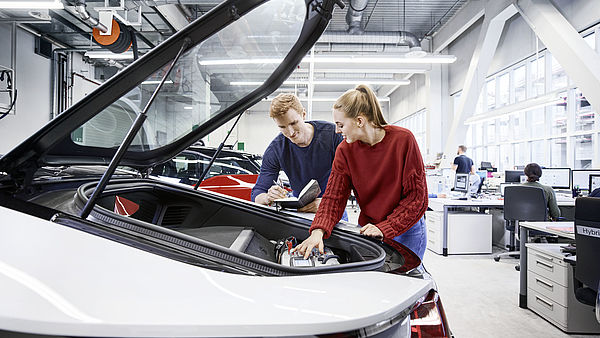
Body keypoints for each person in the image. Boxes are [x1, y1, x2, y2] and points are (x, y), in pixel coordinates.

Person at [294, 84, 428, 260]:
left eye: (340, 124)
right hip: (370, 229)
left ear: (359, 121)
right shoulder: (345, 150)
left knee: (408, 282)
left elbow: (417, 198)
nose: (337, 130)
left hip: (407, 230)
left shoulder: (404, 140)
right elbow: (334, 198)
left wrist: (385, 227)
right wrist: (318, 231)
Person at [251, 93, 345, 216]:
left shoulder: (333, 136)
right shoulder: (276, 149)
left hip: (332, 205)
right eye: (282, 127)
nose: (290, 132)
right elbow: (257, 193)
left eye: (293, 123)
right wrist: (268, 197)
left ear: (303, 114)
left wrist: (327, 203)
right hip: (299, 211)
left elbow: (354, 178)